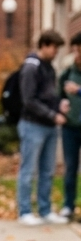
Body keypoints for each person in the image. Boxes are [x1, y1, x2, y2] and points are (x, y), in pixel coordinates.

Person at [17, 29, 69, 226]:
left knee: (48, 171)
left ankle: (45, 209)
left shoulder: (50, 68)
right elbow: (29, 100)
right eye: (54, 48)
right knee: (28, 170)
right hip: (32, 125)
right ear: (44, 45)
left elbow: (49, 96)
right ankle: (25, 211)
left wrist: (59, 106)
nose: (56, 52)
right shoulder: (32, 67)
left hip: (49, 125)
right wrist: (52, 114)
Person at [59, 31, 81, 220]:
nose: (79, 55)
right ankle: (68, 205)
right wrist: (61, 106)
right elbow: (58, 96)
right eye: (77, 51)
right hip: (71, 127)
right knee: (70, 167)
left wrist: (79, 90)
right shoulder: (67, 74)